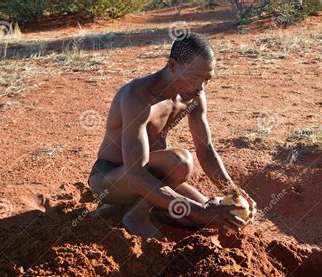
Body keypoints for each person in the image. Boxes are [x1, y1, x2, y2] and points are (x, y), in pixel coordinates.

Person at [88, 32, 256, 238]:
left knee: (206, 220)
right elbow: (135, 174)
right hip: (112, 179)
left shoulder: (194, 96)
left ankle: (122, 211)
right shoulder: (136, 96)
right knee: (180, 161)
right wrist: (199, 210)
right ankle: (136, 216)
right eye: (194, 77)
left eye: (207, 79)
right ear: (172, 65)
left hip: (154, 178)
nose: (200, 87)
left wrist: (234, 193)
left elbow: (206, 151)